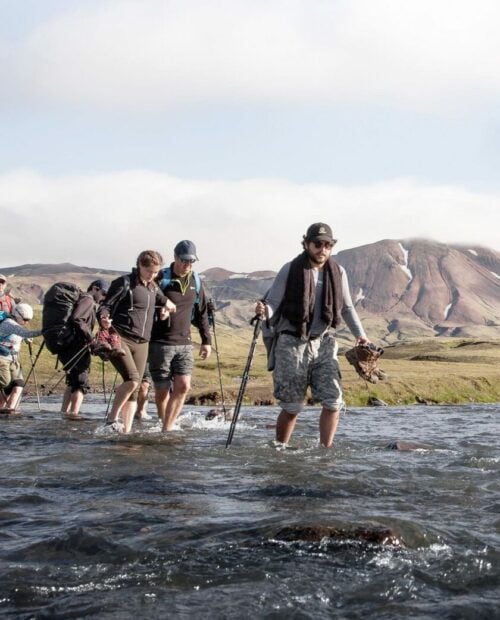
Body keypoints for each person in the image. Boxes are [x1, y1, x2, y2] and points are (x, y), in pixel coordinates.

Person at [255, 222, 370, 448]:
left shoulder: (339, 272)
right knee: (292, 406)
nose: (323, 249)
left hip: (325, 342)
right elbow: (273, 303)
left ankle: (325, 451)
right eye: (317, 244)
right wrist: (263, 311)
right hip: (291, 342)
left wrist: (361, 336)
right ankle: (280, 449)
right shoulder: (290, 269)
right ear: (306, 244)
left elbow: (347, 308)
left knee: (333, 400)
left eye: (328, 244)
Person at [99, 250, 176, 433]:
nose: (152, 275)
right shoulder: (124, 283)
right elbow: (106, 305)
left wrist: (168, 307)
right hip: (120, 337)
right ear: (140, 266)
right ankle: (112, 419)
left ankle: (125, 431)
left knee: (135, 388)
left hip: (143, 343)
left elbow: (164, 300)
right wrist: (103, 317)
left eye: (156, 272)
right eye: (149, 271)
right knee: (133, 380)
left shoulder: (152, 287)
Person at [149, 240, 212, 432]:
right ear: (175, 257)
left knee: (183, 386)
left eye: (192, 261)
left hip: (185, 342)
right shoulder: (161, 278)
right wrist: (160, 309)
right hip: (160, 343)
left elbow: (201, 312)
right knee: (161, 390)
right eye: (184, 260)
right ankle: (164, 422)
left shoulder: (196, 281)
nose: (188, 265)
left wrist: (206, 341)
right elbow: (147, 301)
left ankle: (167, 428)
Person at [59, 280, 109, 419]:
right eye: (103, 293)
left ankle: (64, 415)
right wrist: (91, 339)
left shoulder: (83, 299)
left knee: (72, 381)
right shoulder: (87, 299)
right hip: (77, 346)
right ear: (94, 288)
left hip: (69, 345)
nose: (104, 297)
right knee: (81, 382)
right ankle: (74, 415)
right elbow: (78, 319)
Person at [0, 304, 42, 410]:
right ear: (17, 314)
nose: (26, 322)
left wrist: (23, 339)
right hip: (2, 358)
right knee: (5, 382)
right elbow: (26, 333)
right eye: (25, 319)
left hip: (14, 360)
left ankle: (10, 411)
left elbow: (17, 335)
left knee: (18, 384)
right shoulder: (9, 323)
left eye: (28, 320)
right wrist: (46, 330)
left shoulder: (15, 325)